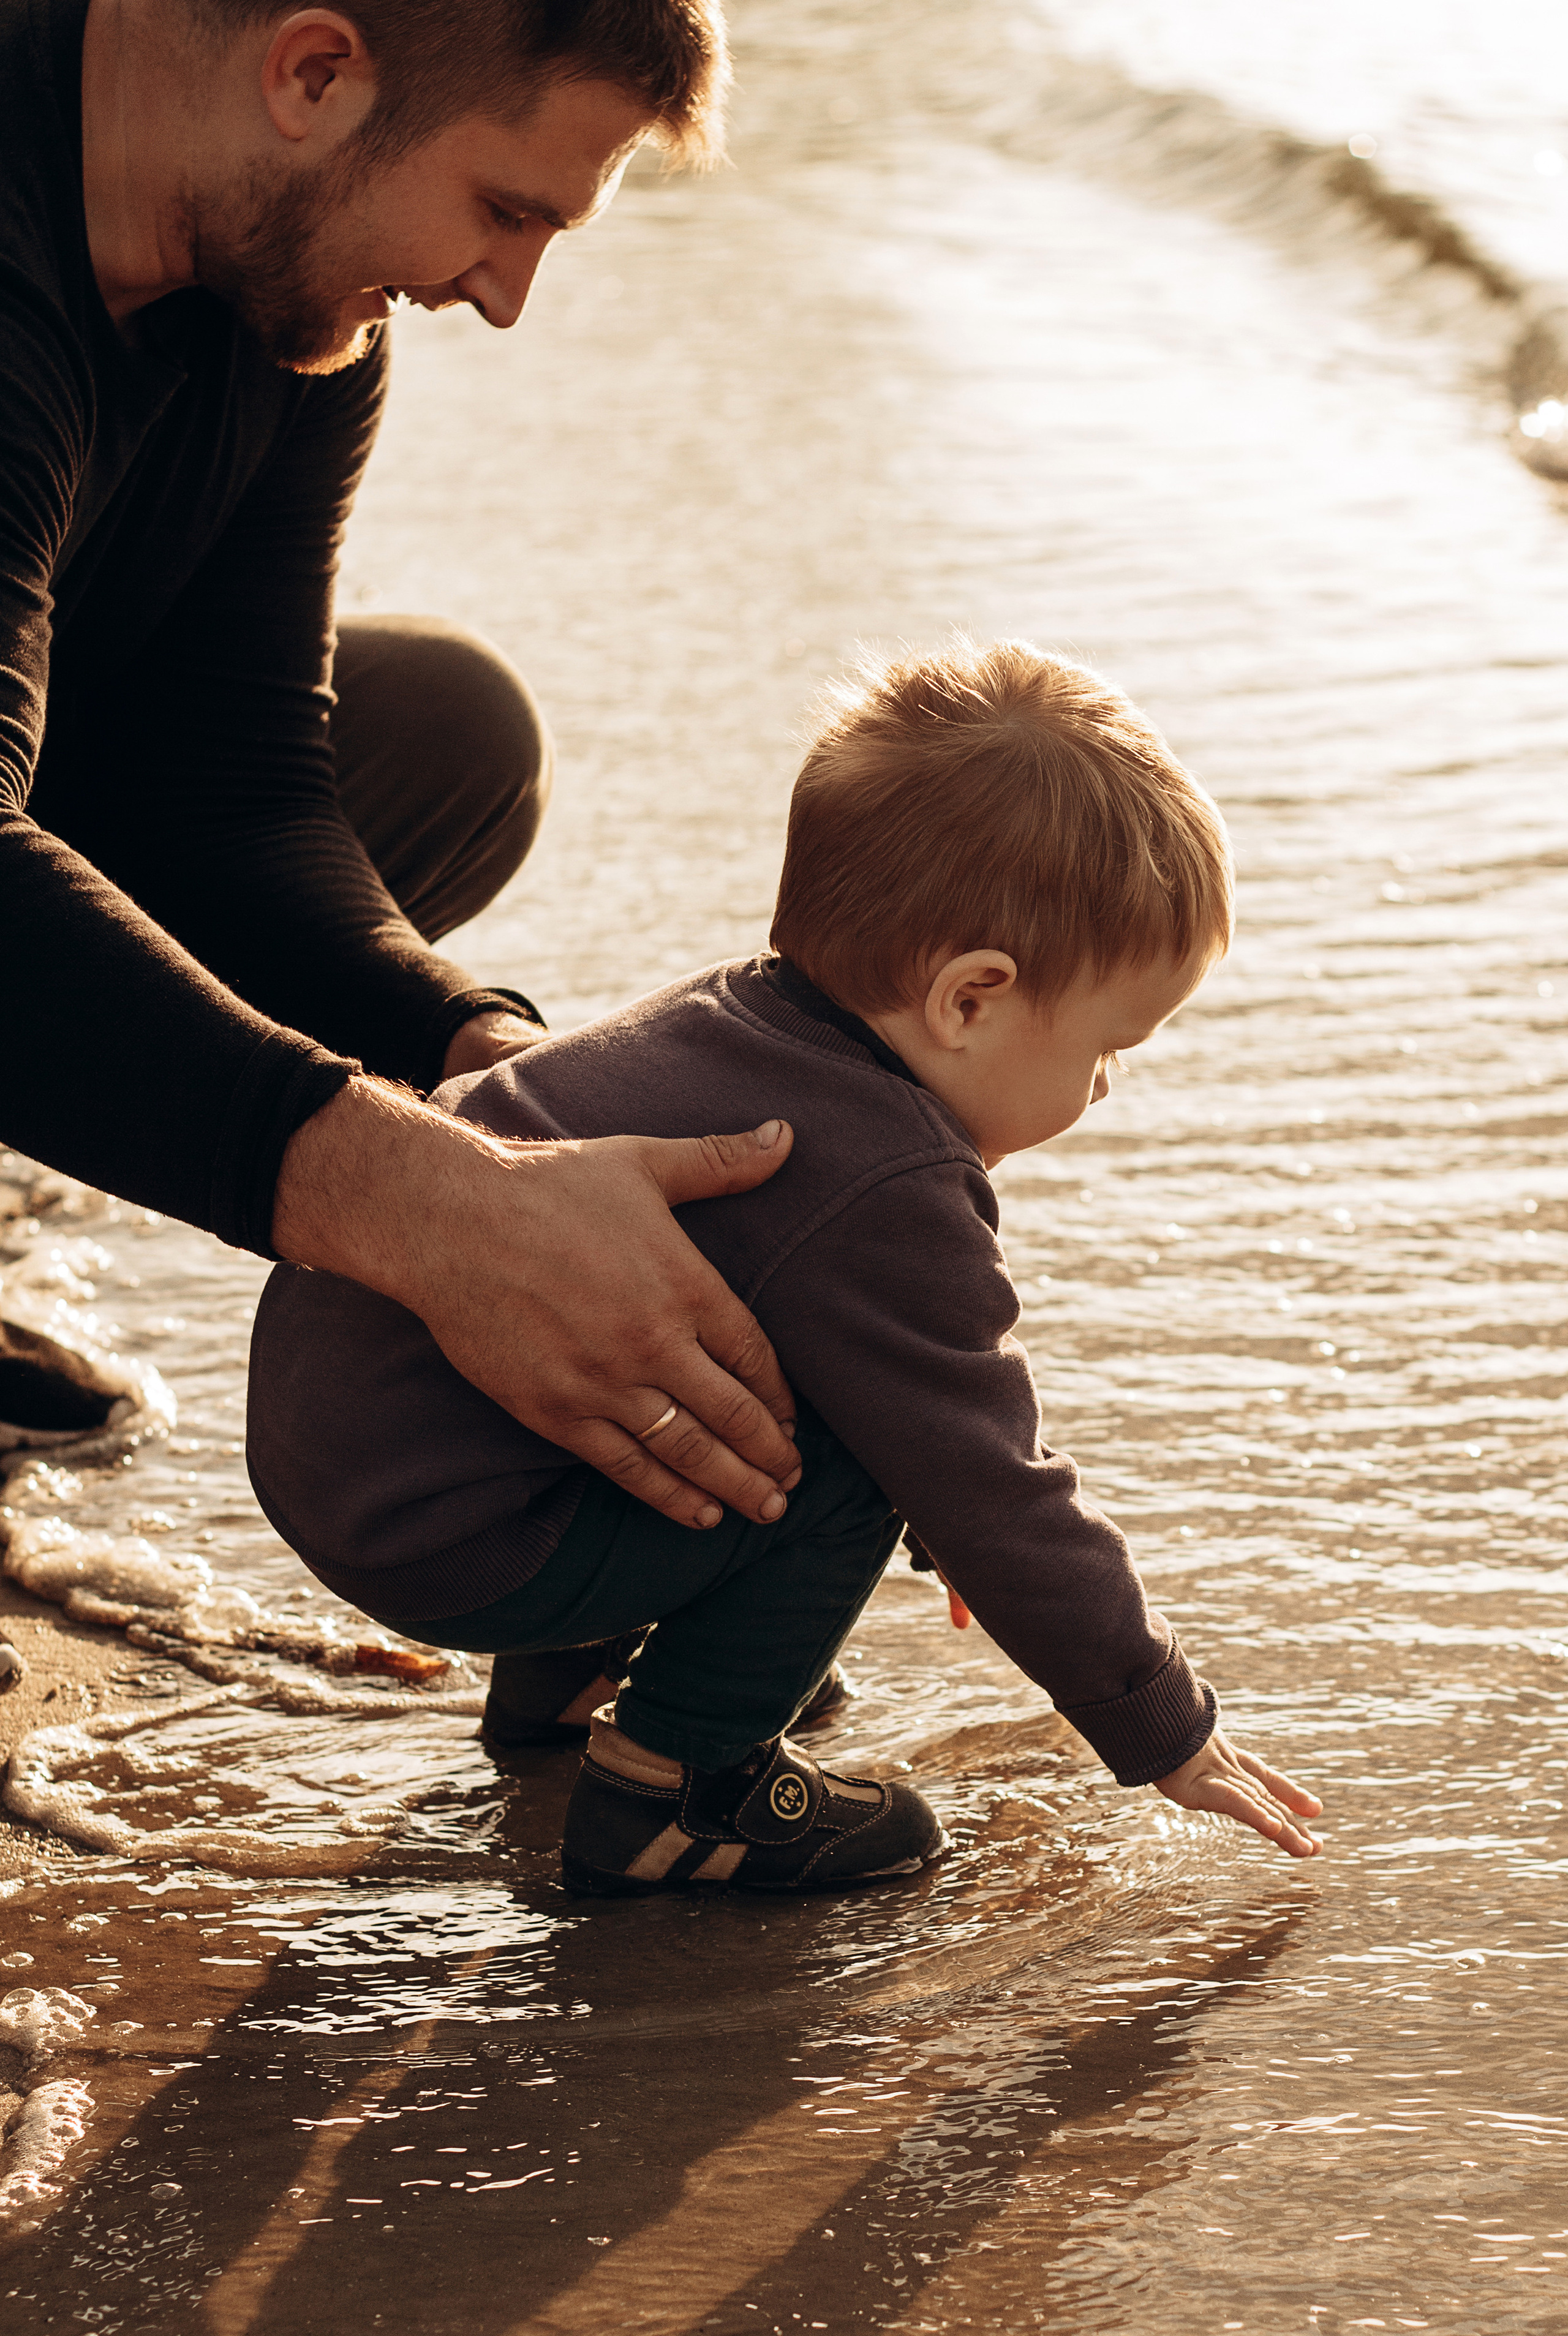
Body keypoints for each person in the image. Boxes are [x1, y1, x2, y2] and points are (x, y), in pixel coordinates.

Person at [247, 638, 1326, 1896]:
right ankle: (677, 1790)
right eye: (1109, 1046)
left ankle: (572, 1680)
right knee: (860, 1462)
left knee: (784, 1382)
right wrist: (1159, 1721)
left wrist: (961, 1519)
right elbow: (995, 1482)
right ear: (970, 999)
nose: (1103, 1085)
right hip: (455, 1527)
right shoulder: (888, 1180)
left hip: (351, 1445)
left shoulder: (725, 1016)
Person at [1, 0, 810, 1563]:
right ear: (313, 72)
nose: (501, 298)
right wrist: (427, 1210)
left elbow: (224, 781)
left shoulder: (281, 306)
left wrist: (500, 1084)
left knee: (445, 744)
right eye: (505, 211)